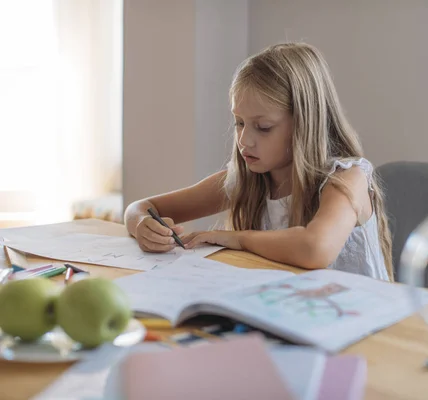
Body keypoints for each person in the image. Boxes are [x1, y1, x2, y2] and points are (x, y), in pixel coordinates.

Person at [124, 43, 393, 281]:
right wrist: (140, 225)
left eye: (263, 127)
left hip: (368, 329)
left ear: (304, 124)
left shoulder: (347, 178)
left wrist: (237, 239)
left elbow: (316, 249)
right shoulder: (244, 181)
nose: (244, 141)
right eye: (239, 123)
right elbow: (142, 207)